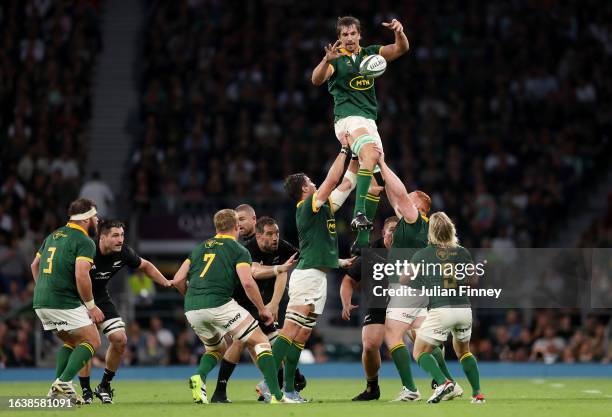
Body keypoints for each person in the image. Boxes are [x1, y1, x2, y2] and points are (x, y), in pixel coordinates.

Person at [261, 137, 355, 402]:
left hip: (319, 276)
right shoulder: (307, 205)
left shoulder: (321, 209)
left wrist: (358, 158)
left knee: (301, 336)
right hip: (307, 276)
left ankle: (289, 390)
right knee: (291, 330)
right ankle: (268, 383)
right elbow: (332, 180)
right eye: (311, 182)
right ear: (304, 189)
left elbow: (346, 184)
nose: (315, 183)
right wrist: (344, 150)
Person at [171, 209, 297, 404]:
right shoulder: (239, 250)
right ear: (236, 227)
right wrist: (263, 309)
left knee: (216, 348)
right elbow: (248, 283)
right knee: (261, 342)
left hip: (192, 307)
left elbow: (178, 279)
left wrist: (192, 298)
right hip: (220, 303)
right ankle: (276, 396)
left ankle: (200, 376)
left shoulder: (199, 248)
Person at [311, 15, 409, 251]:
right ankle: (359, 213)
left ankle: (362, 241)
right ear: (339, 38)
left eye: (353, 33)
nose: (349, 38)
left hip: (368, 122)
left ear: (359, 35)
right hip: (347, 120)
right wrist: (326, 60)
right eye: (344, 35)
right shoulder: (336, 59)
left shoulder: (370, 54)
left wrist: (399, 32)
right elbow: (316, 79)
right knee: (370, 154)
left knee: (376, 185)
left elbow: (401, 49)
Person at [378, 157, 460, 401]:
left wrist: (382, 163)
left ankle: (412, 389)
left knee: (392, 335)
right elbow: (396, 198)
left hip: (407, 288)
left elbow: (400, 196)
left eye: (410, 200)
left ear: (420, 209)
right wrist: (379, 175)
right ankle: (450, 383)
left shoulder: (415, 220)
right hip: (418, 290)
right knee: (422, 339)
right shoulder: (413, 223)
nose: (404, 202)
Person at [77, 219, 171, 404]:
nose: (120, 240)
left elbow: (146, 266)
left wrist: (166, 282)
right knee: (87, 342)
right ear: (102, 237)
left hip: (100, 297)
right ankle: (85, 390)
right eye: (115, 236)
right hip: (76, 298)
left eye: (122, 235)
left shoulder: (124, 252)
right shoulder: (86, 250)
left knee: (120, 339)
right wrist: (88, 306)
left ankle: (104, 386)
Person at [211, 216, 301, 403]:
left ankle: (272, 385)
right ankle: (222, 391)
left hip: (262, 305)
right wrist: (278, 269)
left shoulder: (280, 246)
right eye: (270, 234)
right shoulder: (247, 249)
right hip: (240, 302)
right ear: (259, 235)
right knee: (242, 342)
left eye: (276, 233)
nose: (275, 237)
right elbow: (253, 272)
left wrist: (274, 303)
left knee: (267, 346)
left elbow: (303, 258)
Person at [31, 198, 104, 404]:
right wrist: (91, 306)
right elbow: (82, 275)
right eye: (95, 217)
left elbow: (34, 265)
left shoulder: (52, 235)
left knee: (72, 341)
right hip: (62, 300)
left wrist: (43, 289)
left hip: (41, 300)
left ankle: (58, 390)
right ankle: (64, 382)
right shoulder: (84, 242)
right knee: (93, 340)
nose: (97, 221)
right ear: (87, 219)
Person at [408, 212, 485, 404]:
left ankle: (443, 383)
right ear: (451, 229)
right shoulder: (461, 251)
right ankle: (477, 394)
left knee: (419, 352)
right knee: (464, 351)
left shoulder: (422, 255)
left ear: (430, 232)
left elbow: (409, 283)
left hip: (441, 309)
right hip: (464, 309)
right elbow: (474, 280)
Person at [341, 215, 398, 401]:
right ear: (383, 232)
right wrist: (346, 302)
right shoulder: (371, 251)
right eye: (391, 230)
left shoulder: (412, 249)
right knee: (370, 344)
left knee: (425, 339)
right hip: (379, 305)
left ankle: (442, 381)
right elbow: (348, 280)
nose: (395, 234)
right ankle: (372, 388)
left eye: (399, 230)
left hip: (408, 304)